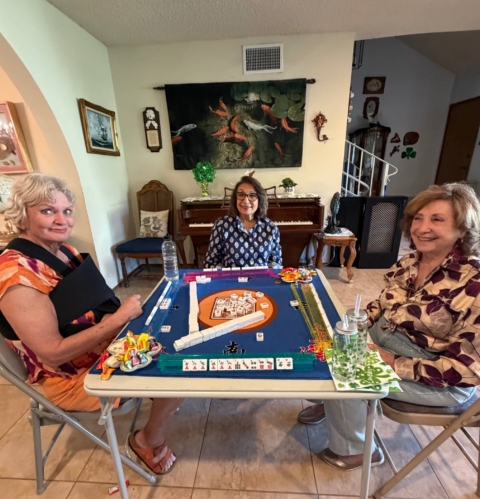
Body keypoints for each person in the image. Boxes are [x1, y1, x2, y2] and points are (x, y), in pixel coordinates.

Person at [0, 174, 182, 476]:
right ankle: (147, 440)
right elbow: (53, 354)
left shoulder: (65, 251)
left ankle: (164, 401)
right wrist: (121, 318)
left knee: (176, 341)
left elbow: (97, 304)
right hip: (69, 377)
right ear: (22, 217)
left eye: (67, 211)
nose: (62, 220)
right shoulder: (16, 275)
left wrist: (120, 321)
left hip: (104, 348)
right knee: (174, 372)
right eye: (48, 211)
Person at [298, 183, 480, 470]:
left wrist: (392, 362)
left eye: (437, 219)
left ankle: (357, 450)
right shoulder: (410, 260)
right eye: (418, 218)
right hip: (383, 340)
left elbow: (466, 372)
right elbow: (383, 304)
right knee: (321, 340)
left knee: (344, 373)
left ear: (463, 229)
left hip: (435, 376)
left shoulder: (474, 284)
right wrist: (360, 320)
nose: (422, 227)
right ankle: (336, 407)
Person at [204, 175, 282, 268]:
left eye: (252, 195)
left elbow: (275, 262)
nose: (246, 201)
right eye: (241, 194)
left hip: (260, 280)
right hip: (230, 280)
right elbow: (211, 262)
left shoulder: (271, 227)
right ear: (235, 198)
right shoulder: (221, 225)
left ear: (259, 199)